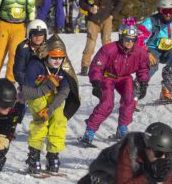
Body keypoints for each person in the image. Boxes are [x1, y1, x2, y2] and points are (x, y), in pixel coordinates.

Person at [80, 24, 149, 146]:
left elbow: (143, 68)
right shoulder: (109, 49)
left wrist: (143, 83)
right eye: (126, 39)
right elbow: (97, 66)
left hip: (125, 77)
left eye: (132, 40)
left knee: (130, 99)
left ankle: (122, 128)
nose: (129, 42)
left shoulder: (140, 52)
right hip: (108, 76)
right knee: (107, 104)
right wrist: (96, 83)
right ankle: (89, 131)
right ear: (121, 37)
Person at [22, 35, 80, 174]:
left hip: (53, 96)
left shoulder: (64, 68)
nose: (57, 61)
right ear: (46, 55)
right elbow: (26, 93)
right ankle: (33, 156)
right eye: (54, 57)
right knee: (42, 120)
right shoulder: (35, 65)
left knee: (59, 119)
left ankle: (53, 155)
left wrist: (51, 108)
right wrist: (46, 88)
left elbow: (64, 92)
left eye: (60, 58)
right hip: (36, 95)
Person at [78, 0, 123, 75]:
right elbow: (81, 2)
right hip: (92, 19)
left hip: (106, 17)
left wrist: (113, 14)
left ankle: (109, 66)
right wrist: (89, 8)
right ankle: (84, 67)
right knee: (90, 42)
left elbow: (119, 1)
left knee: (107, 43)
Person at [11, 19, 49, 89]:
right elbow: (19, 71)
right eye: (35, 34)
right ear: (29, 35)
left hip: (46, 82)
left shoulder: (50, 47)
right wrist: (28, 86)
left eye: (41, 34)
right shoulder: (22, 48)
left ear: (45, 35)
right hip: (28, 83)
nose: (38, 37)